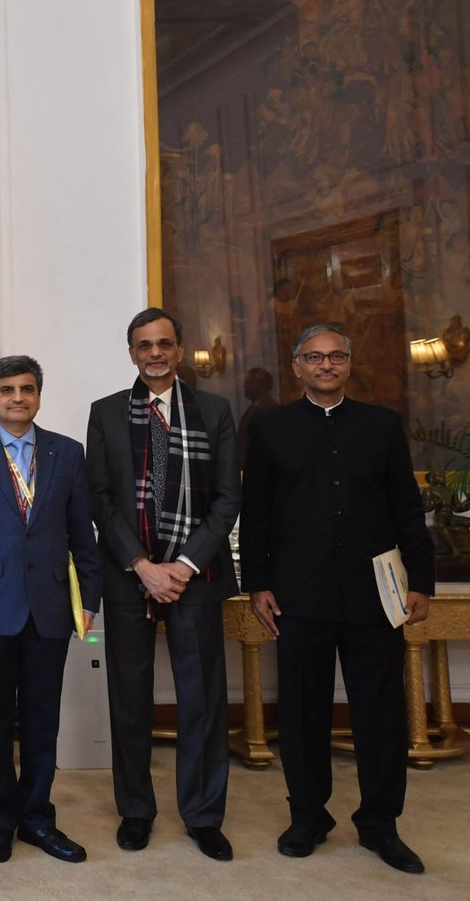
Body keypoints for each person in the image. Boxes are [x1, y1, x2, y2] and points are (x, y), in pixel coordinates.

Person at [240, 323, 435, 874]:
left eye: (336, 356)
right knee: (302, 714)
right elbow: (255, 513)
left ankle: (380, 824)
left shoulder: (381, 426)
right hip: (298, 596)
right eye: (314, 357)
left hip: (375, 598)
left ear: (349, 364)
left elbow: (407, 509)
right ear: (297, 366)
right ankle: (308, 817)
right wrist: (258, 583)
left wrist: (421, 581)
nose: (326, 365)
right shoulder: (271, 428)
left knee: (381, 714)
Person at [86, 309, 241, 861]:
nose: (154, 353)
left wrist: (183, 566)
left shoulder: (215, 411)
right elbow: (99, 498)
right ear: (131, 353)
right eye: (144, 345)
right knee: (129, 699)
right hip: (130, 577)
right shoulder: (105, 413)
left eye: (165, 344)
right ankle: (136, 810)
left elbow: (228, 498)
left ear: (180, 351)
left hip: (194, 579)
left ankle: (202, 815)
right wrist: (142, 565)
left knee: (203, 700)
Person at [0, 355, 100, 865]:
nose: (16, 398)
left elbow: (83, 534)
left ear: (38, 395)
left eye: (26, 389)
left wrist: (89, 601)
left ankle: (37, 816)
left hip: (52, 607)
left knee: (40, 719)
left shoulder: (67, 453)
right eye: (6, 390)